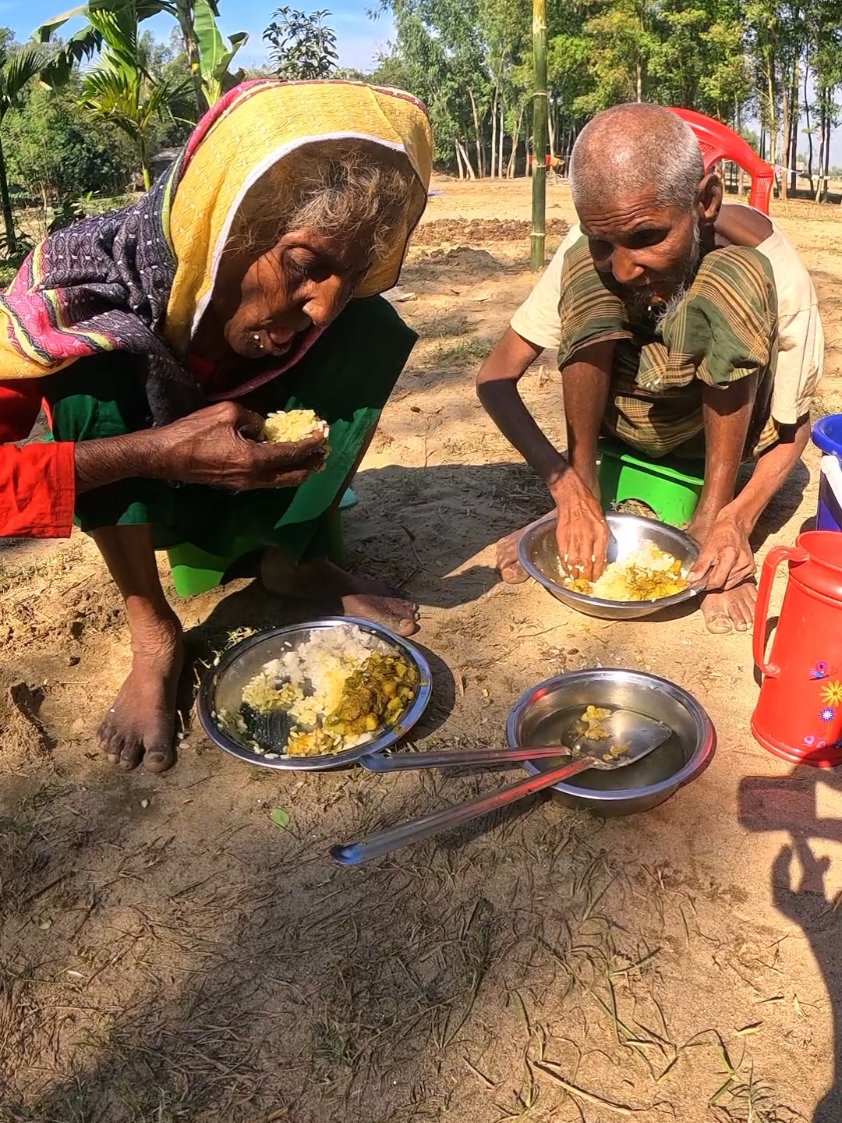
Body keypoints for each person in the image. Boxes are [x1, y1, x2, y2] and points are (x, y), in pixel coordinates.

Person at [0, 78, 432, 773]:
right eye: (302, 266)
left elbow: (336, 315)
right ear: (229, 229)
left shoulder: (326, 315)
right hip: (146, 499)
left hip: (249, 485)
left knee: (370, 330)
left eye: (343, 277)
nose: (319, 307)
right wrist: (157, 454)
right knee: (86, 373)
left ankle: (296, 561)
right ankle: (154, 634)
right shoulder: (82, 284)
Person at [477, 103, 823, 635]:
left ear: (706, 201)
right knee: (588, 276)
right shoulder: (592, 247)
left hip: (707, 443)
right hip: (622, 427)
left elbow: (792, 432)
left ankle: (708, 515)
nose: (623, 266)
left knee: (737, 277)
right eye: (602, 240)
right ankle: (593, 490)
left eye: (646, 238)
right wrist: (567, 489)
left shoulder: (775, 267)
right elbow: (494, 379)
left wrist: (738, 519)